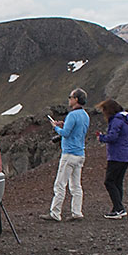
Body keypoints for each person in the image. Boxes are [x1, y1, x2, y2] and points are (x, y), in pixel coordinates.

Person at [45, 88, 90, 221]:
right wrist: (65, 125)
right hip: (80, 154)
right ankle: (77, 212)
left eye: (70, 97)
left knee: (60, 184)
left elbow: (65, 133)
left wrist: (56, 127)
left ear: (76, 99)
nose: (69, 99)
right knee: (76, 186)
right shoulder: (85, 115)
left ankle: (55, 213)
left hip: (69, 154)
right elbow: (77, 130)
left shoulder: (72, 115)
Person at [95, 99, 128, 219]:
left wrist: (102, 138)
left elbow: (112, 137)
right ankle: (117, 207)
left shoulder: (116, 121)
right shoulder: (126, 120)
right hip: (126, 155)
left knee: (109, 181)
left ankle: (119, 208)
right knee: (117, 182)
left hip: (117, 156)